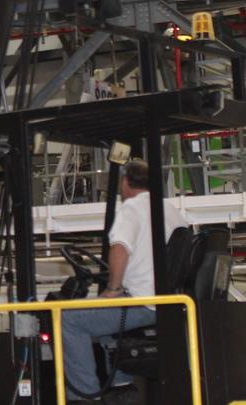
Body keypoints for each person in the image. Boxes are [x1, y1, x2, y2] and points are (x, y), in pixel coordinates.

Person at [63, 159, 188, 403]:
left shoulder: (131, 209)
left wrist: (112, 288)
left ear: (125, 182)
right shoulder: (170, 210)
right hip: (168, 302)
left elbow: (120, 248)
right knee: (108, 321)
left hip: (143, 303)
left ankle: (83, 396)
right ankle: (121, 388)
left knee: (68, 319)